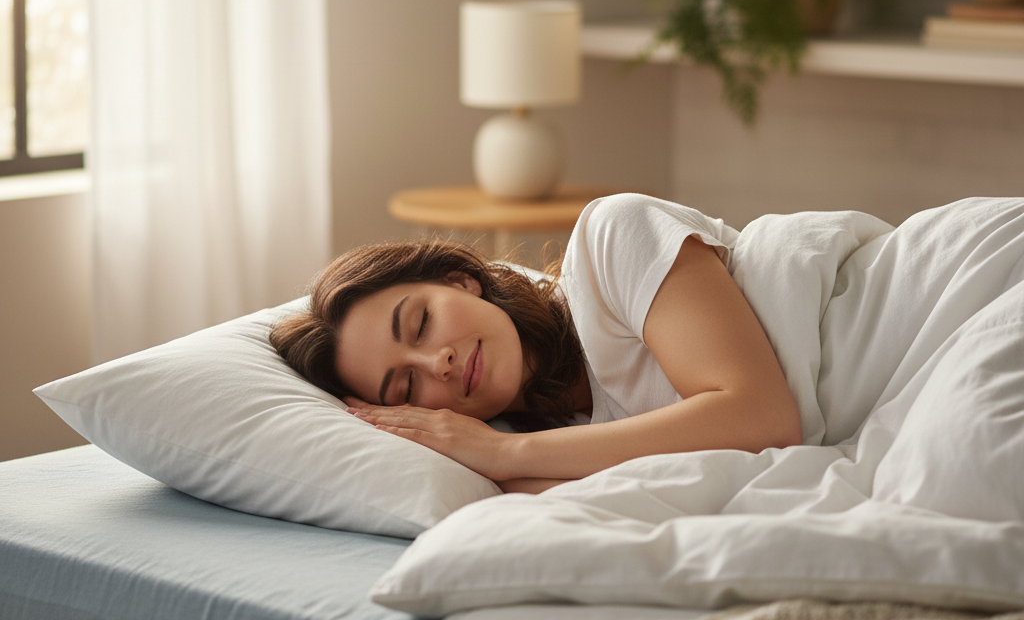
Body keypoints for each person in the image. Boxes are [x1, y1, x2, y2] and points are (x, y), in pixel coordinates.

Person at [270, 193, 802, 494]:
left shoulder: (611, 242)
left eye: (422, 323)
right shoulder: (545, 453)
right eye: (407, 385)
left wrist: (504, 452)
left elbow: (762, 418)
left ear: (460, 280)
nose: (440, 362)